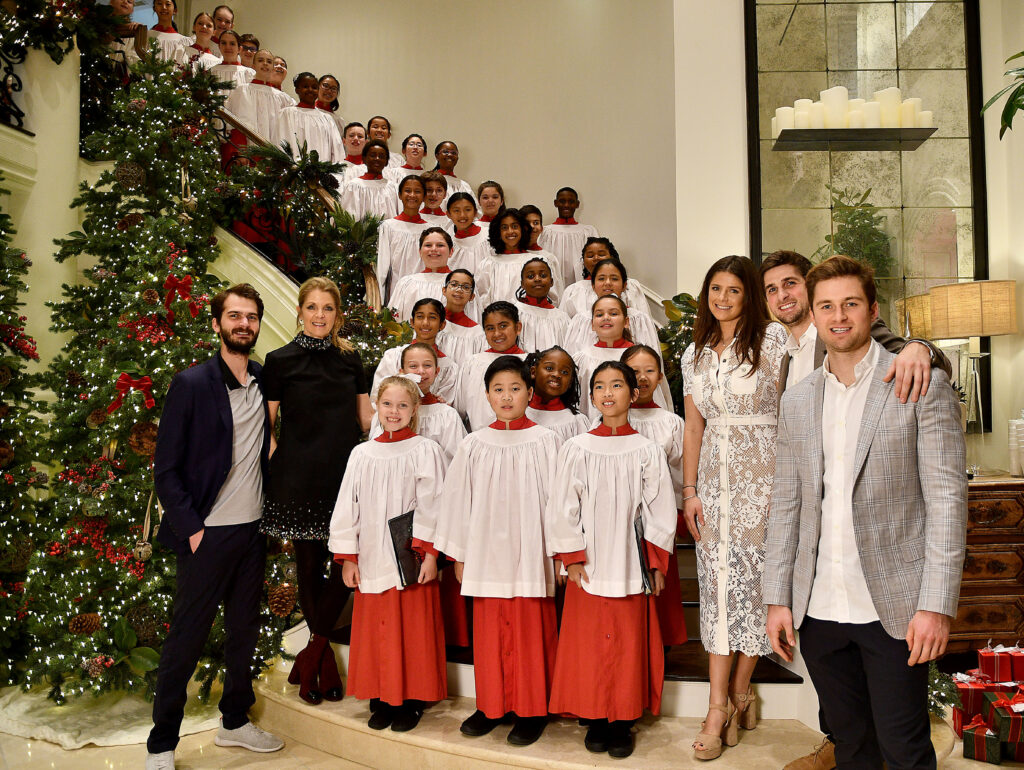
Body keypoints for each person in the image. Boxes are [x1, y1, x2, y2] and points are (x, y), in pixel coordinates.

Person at [765, 255, 966, 770]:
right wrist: (778, 599)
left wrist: (936, 605)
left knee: (904, 750)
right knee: (850, 748)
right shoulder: (798, 400)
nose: (838, 316)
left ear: (872, 309)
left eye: (850, 303)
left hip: (895, 609)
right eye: (826, 306)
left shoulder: (918, 384)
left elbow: (947, 501)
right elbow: (787, 503)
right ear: (812, 313)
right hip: (819, 608)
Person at [147, 284, 284, 770]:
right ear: (217, 324)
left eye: (251, 317)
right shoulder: (192, 383)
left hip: (252, 533)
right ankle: (162, 745)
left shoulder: (267, 380)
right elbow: (165, 468)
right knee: (186, 638)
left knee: (243, 632)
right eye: (234, 316)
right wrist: (193, 529)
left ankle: (234, 723)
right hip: (208, 534)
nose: (243, 324)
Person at [680, 256, 787, 761]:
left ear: (750, 296)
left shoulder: (773, 344)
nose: (722, 299)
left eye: (733, 291)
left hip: (762, 478)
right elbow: (694, 427)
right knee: (719, 590)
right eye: (715, 289)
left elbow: (793, 411)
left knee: (757, 588)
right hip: (713, 486)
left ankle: (740, 692)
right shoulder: (695, 353)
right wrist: (689, 491)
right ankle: (717, 705)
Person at [546, 360, 676, 760]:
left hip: (629, 561)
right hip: (591, 561)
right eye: (599, 386)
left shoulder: (647, 450)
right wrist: (572, 557)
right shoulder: (577, 448)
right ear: (591, 396)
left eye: (617, 385)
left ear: (632, 394)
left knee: (626, 643)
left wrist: (654, 562)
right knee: (590, 644)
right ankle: (595, 716)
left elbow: (659, 509)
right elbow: (562, 506)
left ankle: (621, 720)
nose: (607, 393)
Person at [437, 355, 561, 746]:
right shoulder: (474, 444)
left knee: (529, 628)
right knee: (489, 631)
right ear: (487, 395)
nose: (506, 397)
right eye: (498, 390)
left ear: (529, 392)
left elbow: (559, 502)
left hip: (532, 551)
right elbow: (457, 501)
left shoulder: (546, 441)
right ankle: (491, 704)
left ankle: (531, 708)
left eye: (515, 388)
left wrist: (559, 552)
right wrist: (458, 554)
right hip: (485, 550)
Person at [260, 277, 372, 706]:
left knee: (344, 564)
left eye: (328, 308)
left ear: (338, 314)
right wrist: (278, 466)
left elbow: (364, 422)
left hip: (343, 477)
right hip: (297, 476)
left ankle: (312, 653)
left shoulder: (351, 361)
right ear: (300, 311)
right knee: (307, 568)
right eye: (312, 307)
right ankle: (321, 665)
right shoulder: (278, 360)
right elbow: (267, 426)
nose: (319, 315)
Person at [329, 375, 448, 732]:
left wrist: (428, 555)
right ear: (376, 407)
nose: (393, 412)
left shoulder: (425, 450)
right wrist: (348, 556)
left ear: (414, 410)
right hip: (371, 555)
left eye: (402, 405)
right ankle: (381, 695)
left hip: (409, 556)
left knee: (411, 628)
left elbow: (435, 506)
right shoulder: (362, 454)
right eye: (387, 404)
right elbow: (347, 505)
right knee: (377, 629)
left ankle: (411, 699)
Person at [621, 344, 688, 648]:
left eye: (650, 371)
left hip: (658, 516)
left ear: (660, 377)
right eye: (635, 371)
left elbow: (680, 472)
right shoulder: (613, 420)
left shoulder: (671, 422)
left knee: (660, 578)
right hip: (622, 516)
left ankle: (661, 637)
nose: (643, 378)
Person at [573, 295, 672, 419]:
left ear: (626, 322)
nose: (606, 318)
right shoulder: (582, 359)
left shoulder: (638, 356)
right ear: (592, 324)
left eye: (613, 314)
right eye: (599, 315)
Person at [370, 343, 466, 462]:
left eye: (427, 365)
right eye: (413, 366)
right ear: (402, 372)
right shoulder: (388, 413)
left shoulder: (447, 415)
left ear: (436, 372)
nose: (421, 371)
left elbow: (457, 460)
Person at [564, 258, 659, 358]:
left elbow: (652, 362)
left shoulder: (640, 319)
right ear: (593, 285)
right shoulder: (580, 321)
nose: (608, 283)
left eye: (614, 279)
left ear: (624, 285)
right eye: (601, 278)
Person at [372, 298, 460, 404]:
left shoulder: (448, 366)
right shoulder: (393, 356)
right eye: (420, 317)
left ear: (442, 325)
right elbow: (377, 394)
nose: (425, 323)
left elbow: (445, 404)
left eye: (432, 318)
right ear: (412, 322)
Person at [457, 301, 528, 432]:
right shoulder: (473, 363)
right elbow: (460, 408)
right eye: (490, 328)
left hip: (522, 437)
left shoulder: (529, 362)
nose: (496, 334)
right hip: (482, 440)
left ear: (518, 327)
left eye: (503, 326)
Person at [389, 227, 479, 323]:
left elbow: (473, 317)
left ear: (451, 251)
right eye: (428, 245)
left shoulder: (464, 284)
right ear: (420, 252)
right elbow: (392, 323)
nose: (434, 249)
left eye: (440, 245)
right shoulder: (406, 284)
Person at [560, 237, 649, 318]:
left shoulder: (631, 286)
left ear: (611, 256)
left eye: (601, 254)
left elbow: (643, 318)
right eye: (590, 256)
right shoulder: (573, 291)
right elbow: (565, 324)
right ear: (583, 261)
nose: (596, 258)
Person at [377, 175, 429, 301]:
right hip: (396, 292)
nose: (412, 195)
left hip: (423, 292)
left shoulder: (430, 230)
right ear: (400, 195)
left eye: (417, 191)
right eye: (407, 191)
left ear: (424, 197)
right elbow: (382, 267)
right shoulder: (389, 226)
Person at [275, 72, 344, 164]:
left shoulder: (327, 119)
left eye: (314, 87)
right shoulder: (286, 114)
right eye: (305, 87)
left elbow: (337, 149)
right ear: (297, 90)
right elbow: (280, 142)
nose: (310, 90)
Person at [225, 50, 293, 141]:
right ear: (253, 66)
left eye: (269, 62)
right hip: (246, 150)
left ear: (273, 67)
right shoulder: (241, 91)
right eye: (260, 60)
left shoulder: (282, 98)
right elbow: (233, 123)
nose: (265, 63)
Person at [524, 346, 589, 442]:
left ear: (570, 382)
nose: (557, 375)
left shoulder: (577, 422)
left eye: (564, 372)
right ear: (533, 372)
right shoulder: (517, 414)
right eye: (549, 368)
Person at [538, 187, 598, 286]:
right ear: (555, 203)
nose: (566, 205)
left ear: (577, 204)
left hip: (581, 284)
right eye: (562, 201)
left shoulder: (588, 232)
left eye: (571, 201)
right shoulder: (545, 232)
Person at [476, 208, 536, 306]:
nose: (510, 231)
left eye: (515, 226)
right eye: (504, 227)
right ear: (498, 232)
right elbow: (481, 299)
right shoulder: (487, 264)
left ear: (523, 229)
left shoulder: (535, 262)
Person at [514, 257, 570, 352]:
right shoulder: (515, 313)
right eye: (531, 276)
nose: (537, 279)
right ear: (522, 284)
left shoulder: (562, 318)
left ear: (551, 282)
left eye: (543, 275)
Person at [338, 139, 398, 220]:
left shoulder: (392, 187)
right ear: (364, 159)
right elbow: (349, 218)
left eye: (381, 156)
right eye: (373, 155)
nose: (377, 159)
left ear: (386, 161)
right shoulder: (355, 186)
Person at [436, 269, 487, 366]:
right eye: (454, 285)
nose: (459, 290)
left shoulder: (476, 334)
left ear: (472, 296)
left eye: (466, 287)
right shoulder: (430, 321)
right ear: (444, 290)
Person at [447, 192, 487, 274]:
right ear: (448, 214)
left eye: (468, 210)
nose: (462, 215)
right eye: (456, 210)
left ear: (475, 212)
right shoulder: (448, 244)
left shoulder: (488, 236)